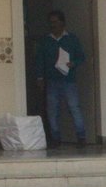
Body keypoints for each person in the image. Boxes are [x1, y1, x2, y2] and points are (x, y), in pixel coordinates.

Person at [36, 10, 88, 147]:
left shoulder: (72, 39)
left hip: (68, 80)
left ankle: (81, 137)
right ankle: (55, 138)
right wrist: (39, 77)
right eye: (51, 22)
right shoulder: (45, 41)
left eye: (55, 22)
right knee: (52, 110)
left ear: (62, 23)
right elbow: (39, 60)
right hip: (52, 80)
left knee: (74, 108)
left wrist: (73, 64)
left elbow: (81, 57)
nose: (53, 25)